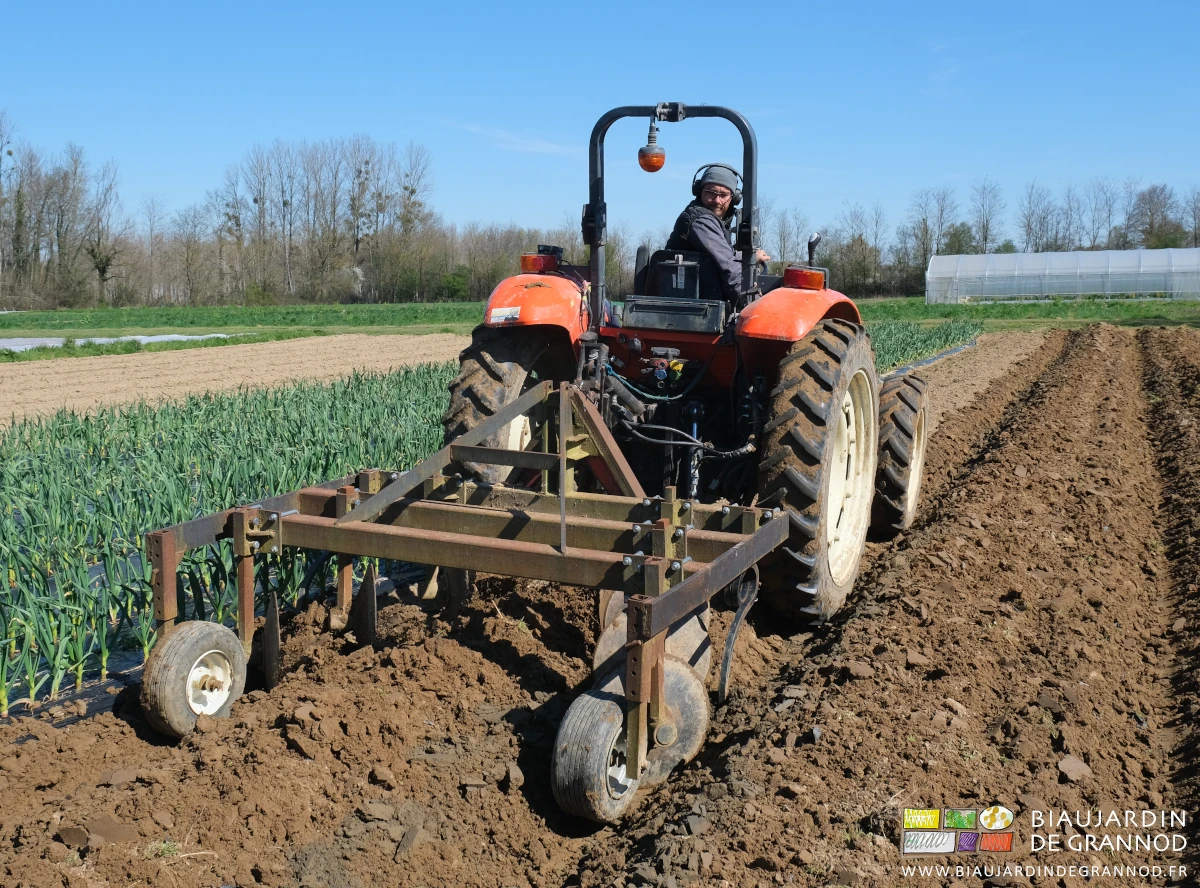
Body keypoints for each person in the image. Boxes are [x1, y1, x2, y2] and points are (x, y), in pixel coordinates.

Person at [664, 165, 771, 303]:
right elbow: (730, 269)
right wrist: (754, 303)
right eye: (710, 193)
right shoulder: (702, 221)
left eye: (723, 195)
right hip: (692, 305)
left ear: (734, 198)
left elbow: (723, 254)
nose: (717, 200)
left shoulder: (715, 222)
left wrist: (749, 257)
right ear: (699, 191)